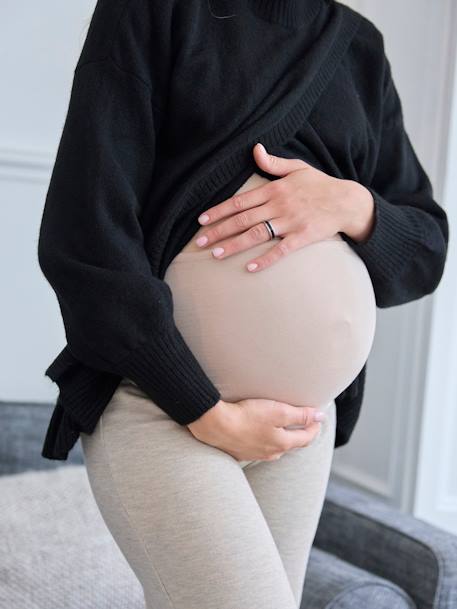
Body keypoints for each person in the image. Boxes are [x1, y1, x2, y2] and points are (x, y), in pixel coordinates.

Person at [37, 1, 449, 607]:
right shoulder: (151, 10)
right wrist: (202, 408)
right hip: (161, 406)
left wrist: (351, 206)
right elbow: (86, 236)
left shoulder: (358, 43)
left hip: (297, 429)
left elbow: (426, 250)